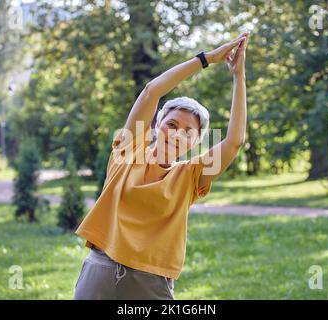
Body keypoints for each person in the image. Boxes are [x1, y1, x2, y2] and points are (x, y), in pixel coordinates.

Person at [74, 31, 250, 300]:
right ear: (156, 126)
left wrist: (238, 76)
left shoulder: (191, 175)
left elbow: (235, 140)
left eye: (188, 132)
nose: (178, 134)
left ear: (195, 142)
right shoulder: (127, 153)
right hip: (100, 274)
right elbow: (151, 91)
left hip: (151, 283)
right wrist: (206, 59)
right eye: (172, 125)